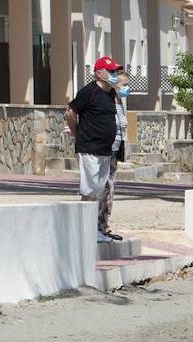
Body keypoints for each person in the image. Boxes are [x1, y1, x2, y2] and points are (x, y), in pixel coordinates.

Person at [65, 56, 120, 243]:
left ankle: (92, 229)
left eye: (115, 71)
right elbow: (71, 113)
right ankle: (85, 232)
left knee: (98, 190)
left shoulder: (110, 93)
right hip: (89, 148)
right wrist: (77, 133)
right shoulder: (89, 91)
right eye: (111, 71)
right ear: (99, 73)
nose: (114, 75)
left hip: (105, 150)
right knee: (89, 191)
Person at [99, 68, 131, 241]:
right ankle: (98, 226)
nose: (127, 88)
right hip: (106, 149)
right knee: (103, 188)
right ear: (115, 84)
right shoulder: (108, 100)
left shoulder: (119, 102)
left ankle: (105, 225)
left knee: (110, 189)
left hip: (116, 149)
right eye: (124, 84)